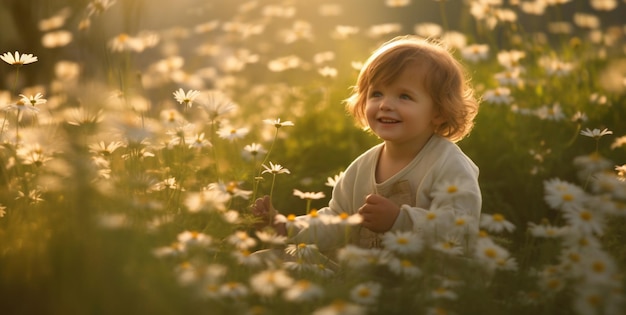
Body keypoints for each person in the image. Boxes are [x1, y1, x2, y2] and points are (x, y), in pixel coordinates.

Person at [252, 35, 481, 256]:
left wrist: (398, 221)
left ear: (440, 112)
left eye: (404, 96)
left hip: (424, 287)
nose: (385, 104)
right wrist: (287, 229)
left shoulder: (449, 165)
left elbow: (460, 231)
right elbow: (336, 219)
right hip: (358, 279)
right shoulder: (361, 168)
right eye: (377, 93)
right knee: (262, 260)